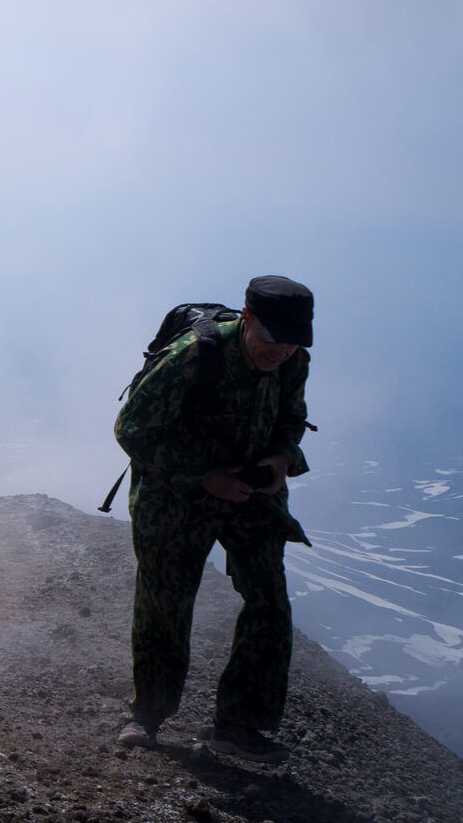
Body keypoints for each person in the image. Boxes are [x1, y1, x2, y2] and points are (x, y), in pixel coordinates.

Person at [113, 275, 315, 763]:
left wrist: (281, 460)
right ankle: (148, 715)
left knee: (269, 601)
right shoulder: (193, 355)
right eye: (272, 339)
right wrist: (205, 475)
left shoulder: (292, 361)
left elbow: (290, 420)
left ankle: (239, 727)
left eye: (293, 342)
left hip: (248, 493)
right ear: (247, 319)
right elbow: (132, 429)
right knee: (166, 601)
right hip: (174, 495)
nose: (282, 351)